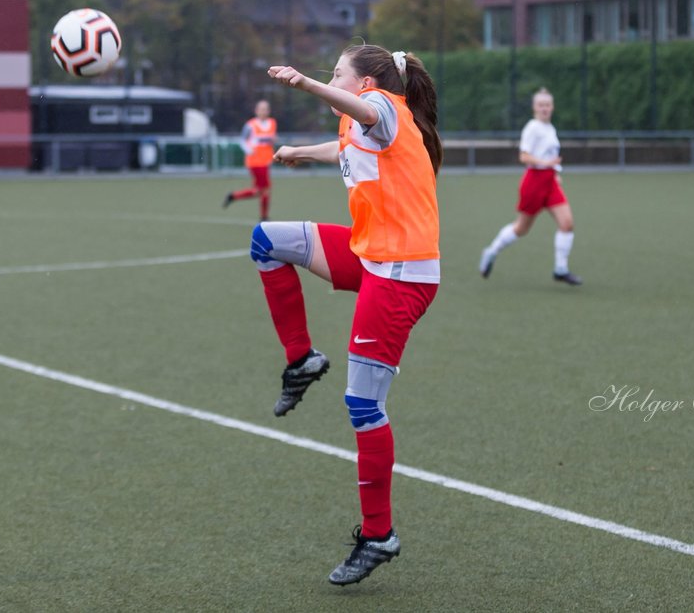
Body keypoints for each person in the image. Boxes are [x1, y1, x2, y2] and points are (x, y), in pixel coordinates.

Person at [250, 43, 441, 586]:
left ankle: (379, 533)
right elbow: (347, 149)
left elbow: (367, 114)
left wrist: (304, 83)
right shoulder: (360, 125)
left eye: (339, 74)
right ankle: (301, 360)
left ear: (365, 83)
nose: (333, 79)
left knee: (363, 403)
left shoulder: (382, 106)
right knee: (266, 241)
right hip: (371, 257)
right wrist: (297, 152)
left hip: (402, 276)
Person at [478, 87, 581, 285]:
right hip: (534, 182)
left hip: (550, 182)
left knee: (567, 224)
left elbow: (550, 155)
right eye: (541, 105)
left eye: (548, 105)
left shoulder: (550, 128)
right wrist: (546, 164)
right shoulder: (532, 128)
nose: (545, 108)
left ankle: (561, 269)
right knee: (521, 228)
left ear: (552, 107)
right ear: (535, 107)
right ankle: (491, 251)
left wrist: (555, 172)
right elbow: (524, 156)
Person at [223, 99, 276, 221]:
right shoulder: (250, 125)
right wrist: (250, 151)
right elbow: (242, 141)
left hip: (266, 161)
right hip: (255, 162)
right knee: (265, 189)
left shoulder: (272, 123)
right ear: (256, 111)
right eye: (261, 109)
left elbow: (270, 141)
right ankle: (264, 217)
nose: (264, 111)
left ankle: (233, 196)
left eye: (266, 109)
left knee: (258, 191)